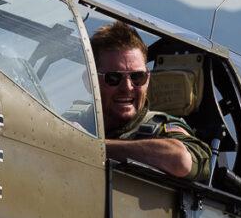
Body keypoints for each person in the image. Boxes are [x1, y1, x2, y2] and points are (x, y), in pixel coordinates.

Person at [90, 22, 211, 181]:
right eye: (113, 78)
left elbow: (181, 161)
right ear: (89, 80)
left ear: (147, 79)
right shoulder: (73, 122)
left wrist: (91, 146)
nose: (127, 87)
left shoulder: (161, 129)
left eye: (137, 77)